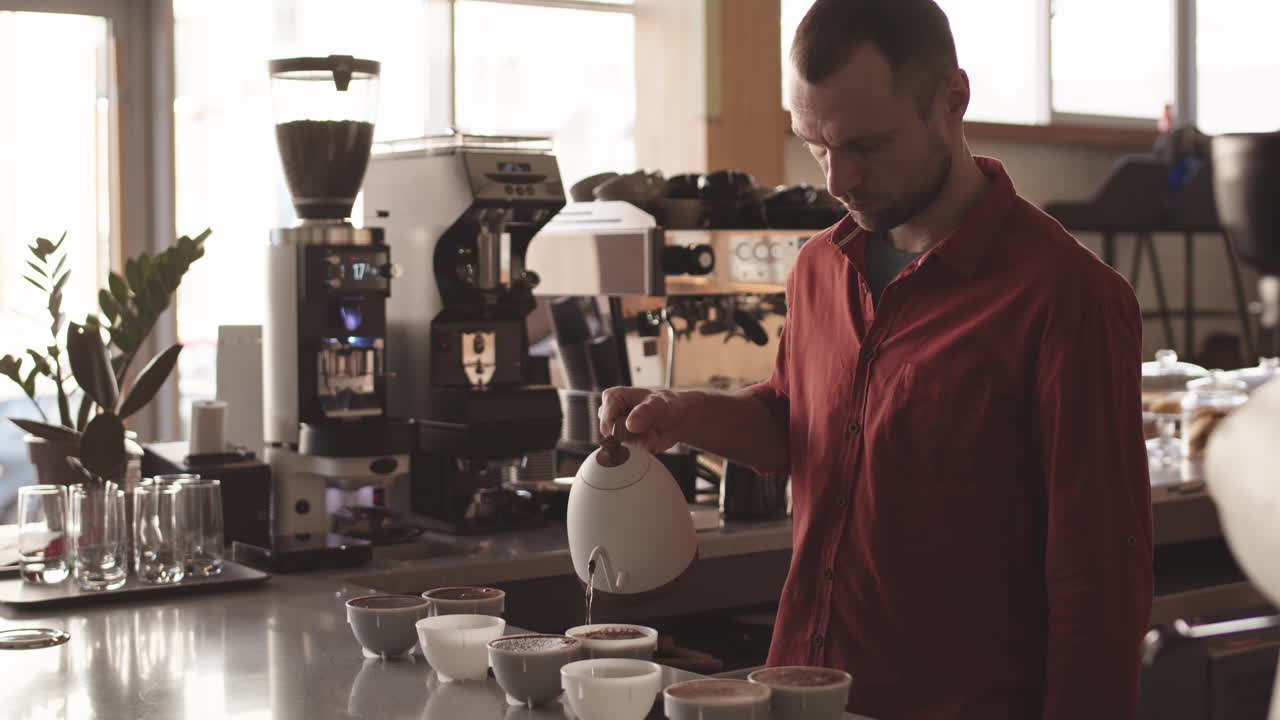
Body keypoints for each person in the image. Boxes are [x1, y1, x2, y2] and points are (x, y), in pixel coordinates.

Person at [598, 0, 1153, 718]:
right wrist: (681, 412)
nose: (837, 179)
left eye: (866, 146)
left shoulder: (1067, 298)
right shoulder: (818, 269)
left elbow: (1100, 575)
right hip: (797, 692)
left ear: (952, 100)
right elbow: (802, 425)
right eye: (815, 144)